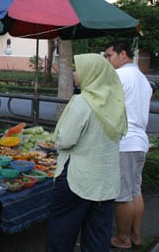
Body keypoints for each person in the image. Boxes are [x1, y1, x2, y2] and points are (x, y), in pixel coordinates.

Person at [46, 53, 127, 252]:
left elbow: (65, 140)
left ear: (91, 73)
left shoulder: (83, 102)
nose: (74, 73)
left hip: (78, 180)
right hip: (106, 182)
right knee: (97, 235)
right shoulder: (114, 102)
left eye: (77, 69)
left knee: (62, 232)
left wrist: (54, 139)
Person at [104, 40, 153, 249]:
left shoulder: (121, 75)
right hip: (140, 141)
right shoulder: (142, 78)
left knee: (122, 195)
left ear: (122, 54)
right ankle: (135, 235)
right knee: (135, 191)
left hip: (125, 141)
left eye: (109, 56)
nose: (107, 60)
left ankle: (122, 238)